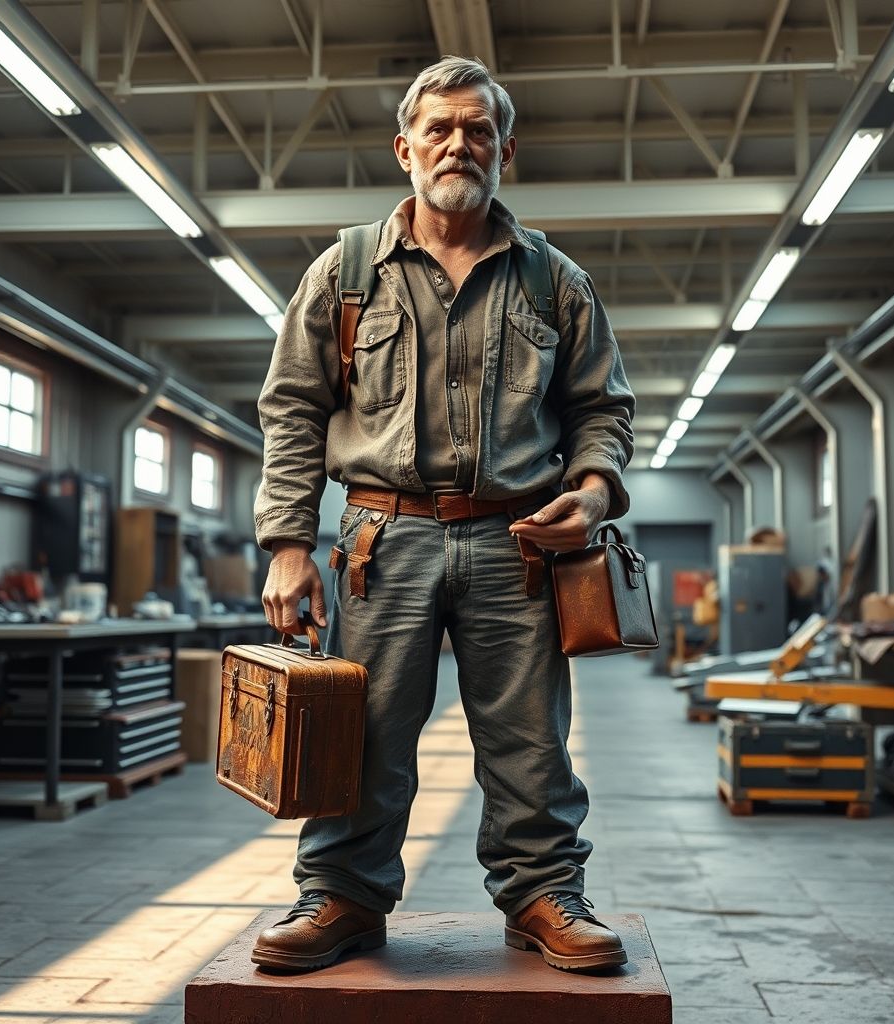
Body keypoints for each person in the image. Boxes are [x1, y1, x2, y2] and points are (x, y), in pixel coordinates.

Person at [252, 56, 635, 973]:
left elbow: (603, 411)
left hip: (518, 542)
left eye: (476, 130)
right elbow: (293, 407)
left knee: (530, 734)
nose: (457, 144)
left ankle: (542, 894)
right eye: (439, 129)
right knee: (366, 728)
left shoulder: (553, 279)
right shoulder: (345, 272)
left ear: (507, 148)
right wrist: (287, 544)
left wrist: (591, 491)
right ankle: (341, 896)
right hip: (381, 541)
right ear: (405, 148)